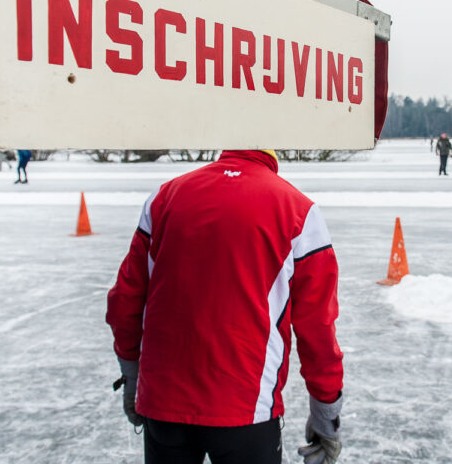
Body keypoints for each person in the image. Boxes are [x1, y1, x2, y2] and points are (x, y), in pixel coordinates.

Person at [106, 150, 344, 464]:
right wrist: (326, 413)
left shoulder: (164, 197)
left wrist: (132, 377)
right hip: (248, 410)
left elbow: (125, 299)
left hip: (164, 405)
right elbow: (318, 328)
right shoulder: (298, 210)